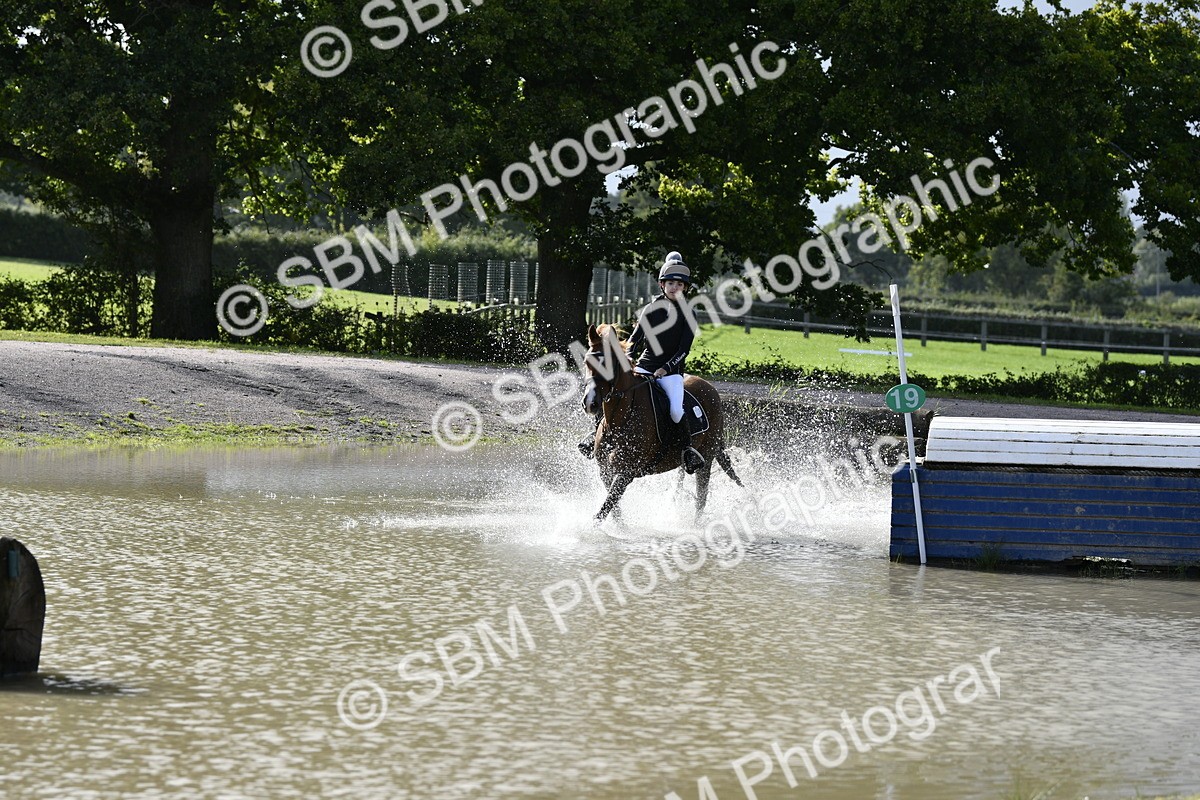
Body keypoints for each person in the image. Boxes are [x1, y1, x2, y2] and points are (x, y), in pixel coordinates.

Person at [579, 251, 706, 473]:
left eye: (679, 284)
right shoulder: (651, 309)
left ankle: (687, 451)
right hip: (644, 367)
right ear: (661, 284)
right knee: (612, 392)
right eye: (670, 283)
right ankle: (595, 434)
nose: (674, 287)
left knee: (676, 411)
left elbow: (683, 350)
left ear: (685, 288)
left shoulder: (689, 314)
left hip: (671, 373)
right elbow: (634, 340)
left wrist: (665, 368)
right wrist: (627, 356)